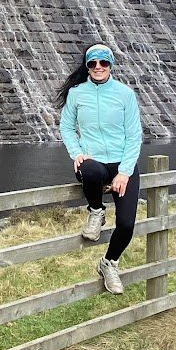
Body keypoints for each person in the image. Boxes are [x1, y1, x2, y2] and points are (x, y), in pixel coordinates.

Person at [56, 43, 143, 294]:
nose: (98, 67)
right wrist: (77, 152)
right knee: (90, 170)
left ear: (111, 65)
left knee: (126, 225)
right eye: (93, 63)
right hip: (93, 161)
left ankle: (108, 263)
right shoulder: (76, 94)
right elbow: (66, 128)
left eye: (103, 63)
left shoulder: (125, 94)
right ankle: (96, 211)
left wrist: (125, 172)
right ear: (87, 66)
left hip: (121, 163)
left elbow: (134, 136)